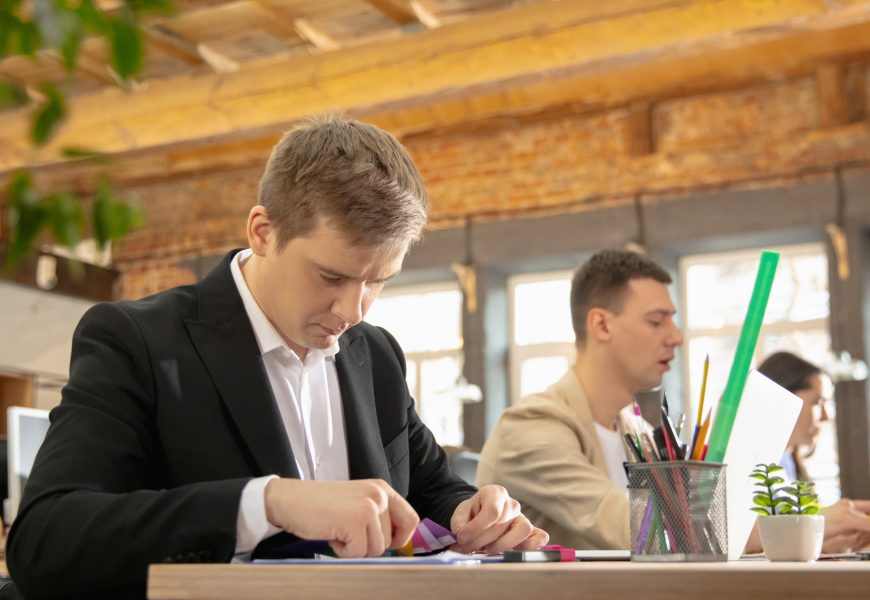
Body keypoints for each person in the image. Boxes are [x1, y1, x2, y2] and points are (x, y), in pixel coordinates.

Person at [6, 115, 547, 598]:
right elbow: (46, 541)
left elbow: (430, 485)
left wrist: (471, 512)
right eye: (331, 276)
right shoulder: (139, 341)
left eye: (377, 282)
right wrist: (265, 504)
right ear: (263, 232)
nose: (353, 310)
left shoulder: (375, 354)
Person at [477, 249, 683, 549]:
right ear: (601, 325)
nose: (675, 337)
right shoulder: (531, 426)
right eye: (656, 321)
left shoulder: (635, 429)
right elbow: (641, 529)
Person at [756, 351, 870, 553]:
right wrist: (817, 521)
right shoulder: (751, 469)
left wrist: (831, 546)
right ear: (783, 398)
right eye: (818, 402)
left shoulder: (790, 464)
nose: (826, 416)